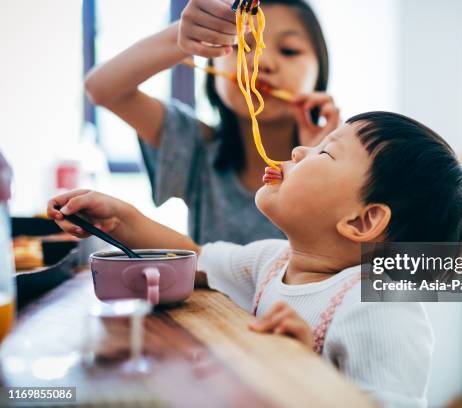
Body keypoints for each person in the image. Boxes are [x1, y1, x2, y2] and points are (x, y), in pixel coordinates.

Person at [48, 112, 462, 407]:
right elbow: (196, 260)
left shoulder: (381, 311)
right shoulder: (271, 261)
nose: (297, 152)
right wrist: (124, 219)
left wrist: (306, 373)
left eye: (325, 152)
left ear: (362, 220)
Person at [84, 0, 338, 245]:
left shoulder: (354, 161)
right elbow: (101, 88)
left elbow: (376, 279)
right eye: (240, 45)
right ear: (212, 60)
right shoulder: (196, 145)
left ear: (320, 71)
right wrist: (186, 36)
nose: (260, 63)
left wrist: (320, 168)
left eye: (289, 50)